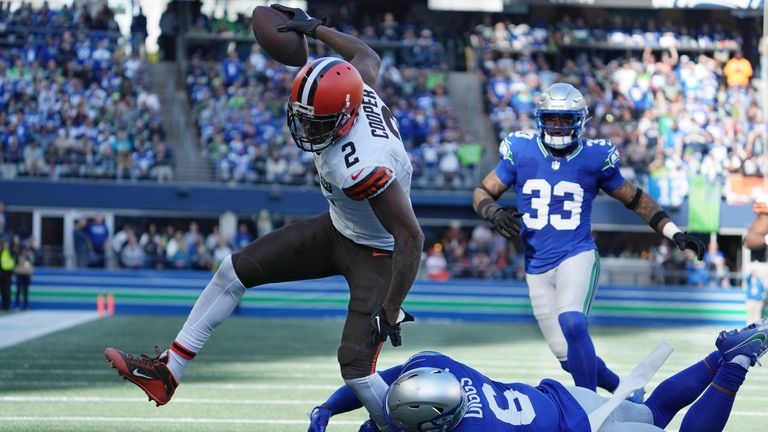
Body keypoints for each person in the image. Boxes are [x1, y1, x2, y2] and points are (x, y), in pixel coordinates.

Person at [104, 6, 424, 431]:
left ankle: (393, 426)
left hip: (376, 253)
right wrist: (317, 29)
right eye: (304, 119)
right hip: (338, 226)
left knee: (356, 368)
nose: (307, 131)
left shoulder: (364, 163)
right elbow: (369, 57)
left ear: (345, 119)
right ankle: (168, 373)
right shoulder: (352, 86)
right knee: (233, 270)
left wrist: (392, 305)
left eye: (318, 124)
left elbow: (410, 237)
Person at [472, 83, 706, 393]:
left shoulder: (594, 156)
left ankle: (586, 404)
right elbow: (482, 192)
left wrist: (673, 232)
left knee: (573, 322)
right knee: (567, 357)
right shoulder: (521, 150)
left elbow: (635, 199)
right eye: (552, 118)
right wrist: (493, 212)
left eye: (565, 118)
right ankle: (626, 391)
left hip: (576, 253)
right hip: (536, 267)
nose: (557, 125)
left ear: (578, 121)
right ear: (541, 118)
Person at [308, 319, 768, 432]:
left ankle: (736, 365)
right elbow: (373, 384)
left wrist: (330, 407)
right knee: (653, 410)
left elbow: (375, 396)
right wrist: (330, 406)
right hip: (565, 398)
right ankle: (723, 353)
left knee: (661, 420)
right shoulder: (435, 366)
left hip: (579, 426)